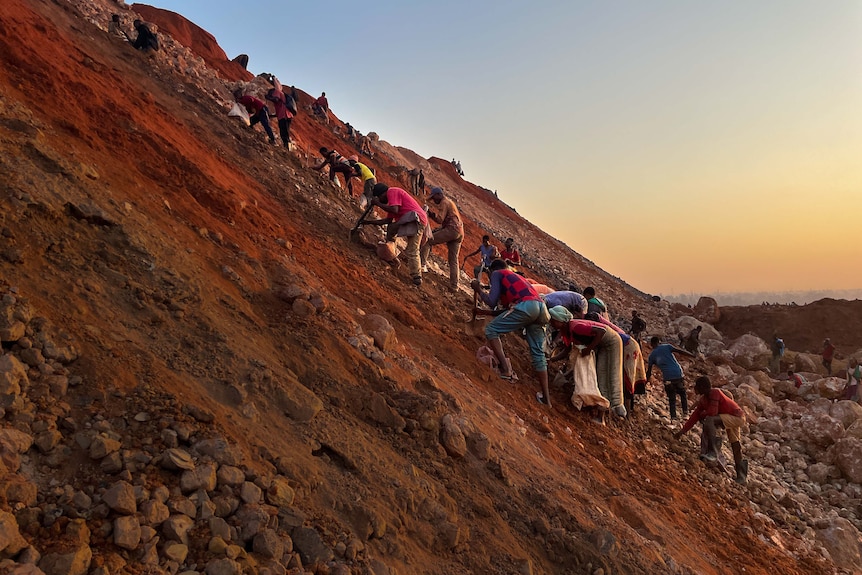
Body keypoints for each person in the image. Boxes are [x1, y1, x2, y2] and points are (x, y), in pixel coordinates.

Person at [472, 259, 551, 407]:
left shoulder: (497, 273)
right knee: (538, 354)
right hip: (541, 309)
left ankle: (506, 370)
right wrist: (484, 312)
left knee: (491, 330)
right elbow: (509, 310)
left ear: (491, 271)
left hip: (527, 306)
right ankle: (546, 399)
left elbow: (491, 301)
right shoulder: (516, 278)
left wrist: (478, 289)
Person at [547, 307, 625, 417]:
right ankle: (602, 405)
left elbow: (601, 331)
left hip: (611, 340)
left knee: (612, 372)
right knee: (600, 372)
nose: (551, 322)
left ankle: (616, 406)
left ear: (562, 321)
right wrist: (552, 360)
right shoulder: (566, 330)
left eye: (553, 320)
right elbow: (567, 350)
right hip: (600, 344)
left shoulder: (576, 327)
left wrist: (588, 349)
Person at [674, 376, 749, 484]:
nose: (695, 389)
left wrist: (702, 414)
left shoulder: (715, 393)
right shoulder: (704, 400)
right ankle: (741, 476)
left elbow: (712, 412)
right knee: (735, 444)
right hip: (732, 417)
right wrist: (682, 432)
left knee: (709, 420)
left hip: (737, 417)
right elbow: (694, 417)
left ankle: (713, 452)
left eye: (697, 387)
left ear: (703, 387)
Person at [364, 183, 428, 286]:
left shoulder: (392, 192)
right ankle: (390, 252)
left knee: (412, 249)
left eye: (380, 198)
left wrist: (378, 204)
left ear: (382, 193)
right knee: (392, 228)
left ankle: (417, 276)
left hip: (417, 219)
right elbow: (388, 220)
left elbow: (395, 210)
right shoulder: (393, 203)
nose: (380, 200)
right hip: (411, 219)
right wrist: (369, 222)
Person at [420, 187, 463, 291]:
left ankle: (421, 265)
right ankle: (454, 285)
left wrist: (430, 214)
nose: (434, 200)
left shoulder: (444, 202)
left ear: (439, 195)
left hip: (451, 230)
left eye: (434, 197)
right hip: (459, 232)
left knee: (428, 241)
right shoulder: (450, 202)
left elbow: (440, 219)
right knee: (453, 260)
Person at [647, 336, 695, 421]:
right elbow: (680, 351)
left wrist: (645, 383)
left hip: (668, 377)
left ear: (652, 344)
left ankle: (673, 418)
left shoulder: (652, 356)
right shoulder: (667, 346)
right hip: (678, 373)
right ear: (659, 342)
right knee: (682, 394)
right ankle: (685, 413)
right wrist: (691, 355)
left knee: (671, 397)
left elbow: (649, 372)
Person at [264, 80, 294, 148]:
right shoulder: (282, 93)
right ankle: (287, 146)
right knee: (285, 131)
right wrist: (271, 115)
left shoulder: (277, 91)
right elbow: (279, 106)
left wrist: (268, 97)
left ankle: (287, 146)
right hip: (288, 115)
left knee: (283, 131)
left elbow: (276, 100)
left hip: (284, 115)